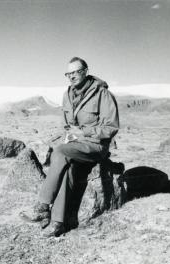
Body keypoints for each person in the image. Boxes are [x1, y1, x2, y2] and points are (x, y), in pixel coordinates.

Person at [20, 57, 120, 237]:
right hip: (75, 146)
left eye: (75, 72)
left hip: (95, 146)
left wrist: (83, 133)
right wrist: (68, 135)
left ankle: (43, 206)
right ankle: (57, 223)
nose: (71, 76)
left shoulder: (102, 93)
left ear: (85, 71)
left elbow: (111, 127)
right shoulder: (67, 94)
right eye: (68, 73)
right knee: (67, 167)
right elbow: (66, 125)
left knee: (59, 152)